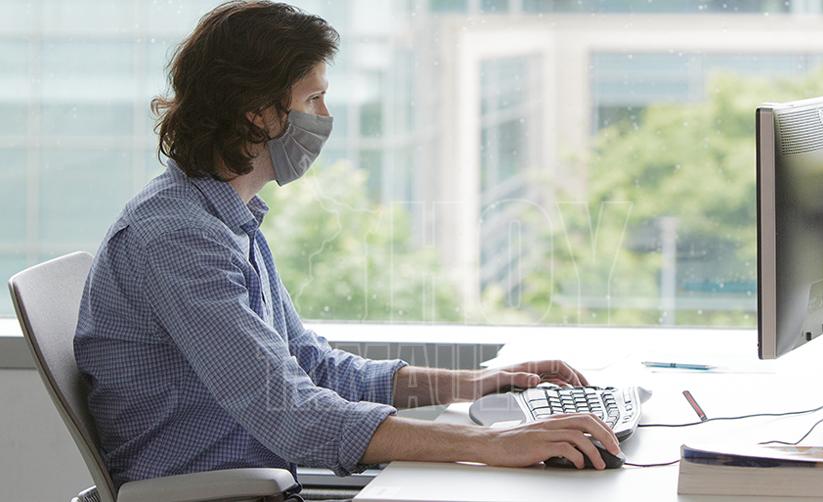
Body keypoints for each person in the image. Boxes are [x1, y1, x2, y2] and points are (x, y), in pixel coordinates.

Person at [74, 0, 620, 487]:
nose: (325, 118)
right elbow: (290, 412)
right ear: (257, 111)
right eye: (313, 98)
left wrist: (476, 383)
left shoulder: (226, 220)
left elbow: (313, 367)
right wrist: (493, 444)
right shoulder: (177, 237)